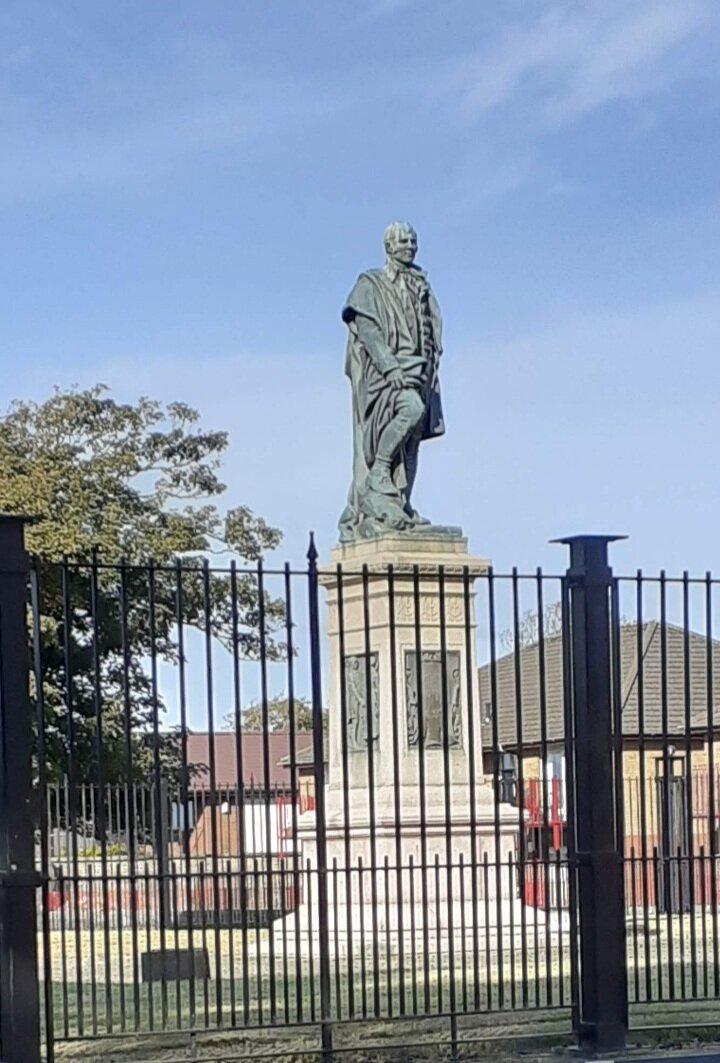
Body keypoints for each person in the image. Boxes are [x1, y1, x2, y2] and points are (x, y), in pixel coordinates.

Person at [339, 222, 444, 541]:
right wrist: (390, 368)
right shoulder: (370, 283)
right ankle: (379, 474)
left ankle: (400, 503)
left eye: (413, 240)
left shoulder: (420, 285)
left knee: (412, 440)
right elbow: (368, 331)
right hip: (385, 375)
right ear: (388, 246)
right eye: (402, 241)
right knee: (409, 410)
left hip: (418, 371)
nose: (409, 245)